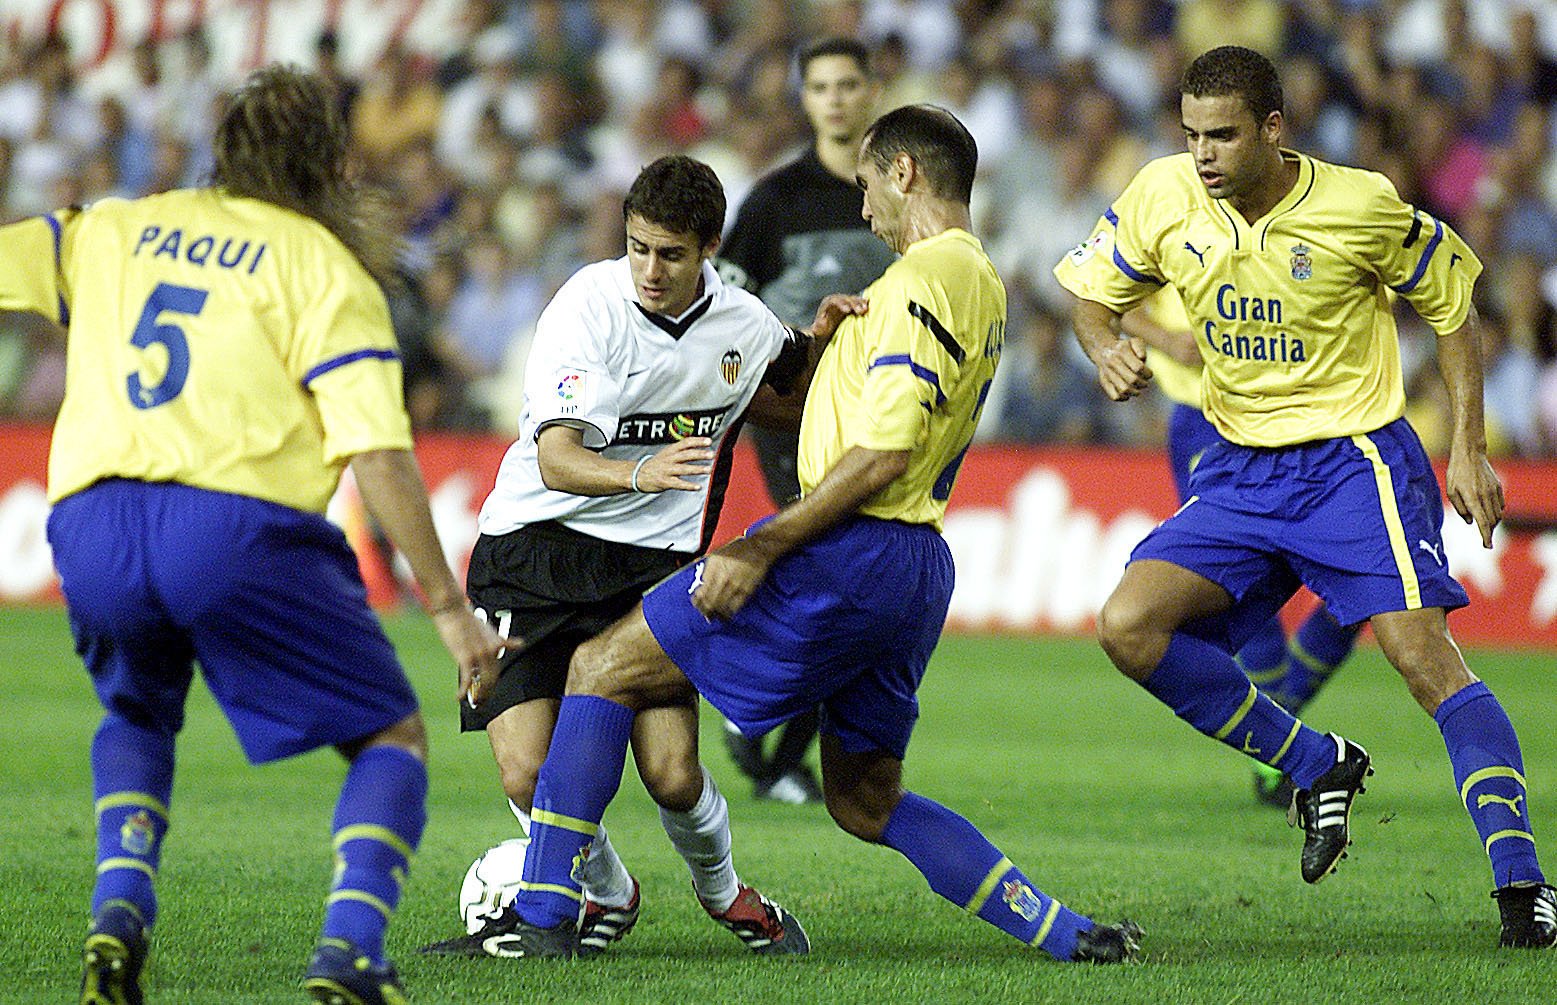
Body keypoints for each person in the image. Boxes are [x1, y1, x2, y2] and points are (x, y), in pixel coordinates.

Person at [467, 104, 1143, 964]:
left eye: (865, 187)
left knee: (601, 665)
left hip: (846, 550)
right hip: (916, 567)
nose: (862, 211)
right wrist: (819, 349)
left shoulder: (917, 284)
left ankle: (545, 920)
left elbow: (883, 449)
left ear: (903, 174)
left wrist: (760, 544)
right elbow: (807, 404)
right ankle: (1063, 931)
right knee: (864, 799)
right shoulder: (981, 282)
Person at [0, 66, 509, 1005]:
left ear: (221, 149)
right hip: (233, 522)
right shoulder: (324, 268)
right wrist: (449, 609)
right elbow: (380, 455)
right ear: (331, 163)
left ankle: (116, 913)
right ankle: (350, 950)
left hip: (92, 518)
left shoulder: (111, 225)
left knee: (137, 711)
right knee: (390, 733)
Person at [1055, 45, 1555, 947]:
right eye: (1191, 134)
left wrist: (1470, 449)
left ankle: (1523, 885)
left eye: (1223, 136)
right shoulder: (1162, 193)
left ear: (1274, 131)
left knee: (1422, 660)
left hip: (1352, 464)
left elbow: (1452, 307)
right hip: (1240, 469)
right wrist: (1103, 346)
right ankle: (1315, 762)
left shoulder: (1357, 204)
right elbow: (1093, 295)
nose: (1202, 154)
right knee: (1127, 624)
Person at [418, 154, 862, 960]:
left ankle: (729, 896)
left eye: (671, 254)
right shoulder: (585, 307)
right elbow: (556, 458)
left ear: (710, 250)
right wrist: (638, 471)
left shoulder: (744, 324)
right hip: (533, 551)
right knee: (526, 773)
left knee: (671, 772)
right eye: (638, 248)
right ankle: (608, 889)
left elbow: (784, 394)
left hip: (650, 567)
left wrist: (823, 342)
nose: (650, 271)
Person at [714, 36, 897, 805]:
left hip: (877, 412)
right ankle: (761, 723)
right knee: (836, 566)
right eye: (820, 85)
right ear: (805, 98)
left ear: (870, 91)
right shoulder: (774, 199)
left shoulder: (896, 192)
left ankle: (764, 728)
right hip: (792, 413)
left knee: (847, 579)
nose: (835, 98)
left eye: (848, 84)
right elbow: (722, 301)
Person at [1124, 286, 1361, 808]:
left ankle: (1283, 738)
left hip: (1305, 416)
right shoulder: (1162, 207)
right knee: (1243, 584)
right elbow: (1101, 297)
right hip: (1205, 418)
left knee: (1365, 593)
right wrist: (1166, 339)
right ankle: (1283, 758)